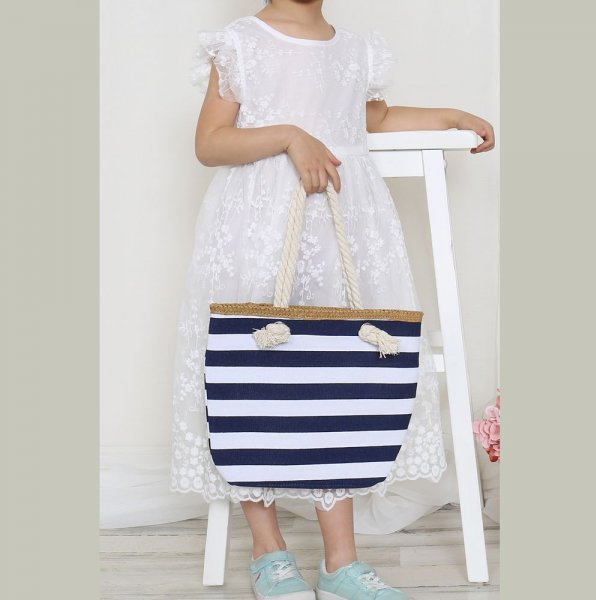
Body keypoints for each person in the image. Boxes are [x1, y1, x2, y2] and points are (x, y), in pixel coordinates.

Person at [170, 1, 495, 598]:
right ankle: (269, 552)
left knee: (338, 374)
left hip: (340, 223)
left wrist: (449, 116)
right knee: (253, 375)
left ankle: (340, 562)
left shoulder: (355, 49)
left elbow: (373, 118)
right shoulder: (240, 42)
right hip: (256, 225)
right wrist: (290, 136)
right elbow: (211, 142)